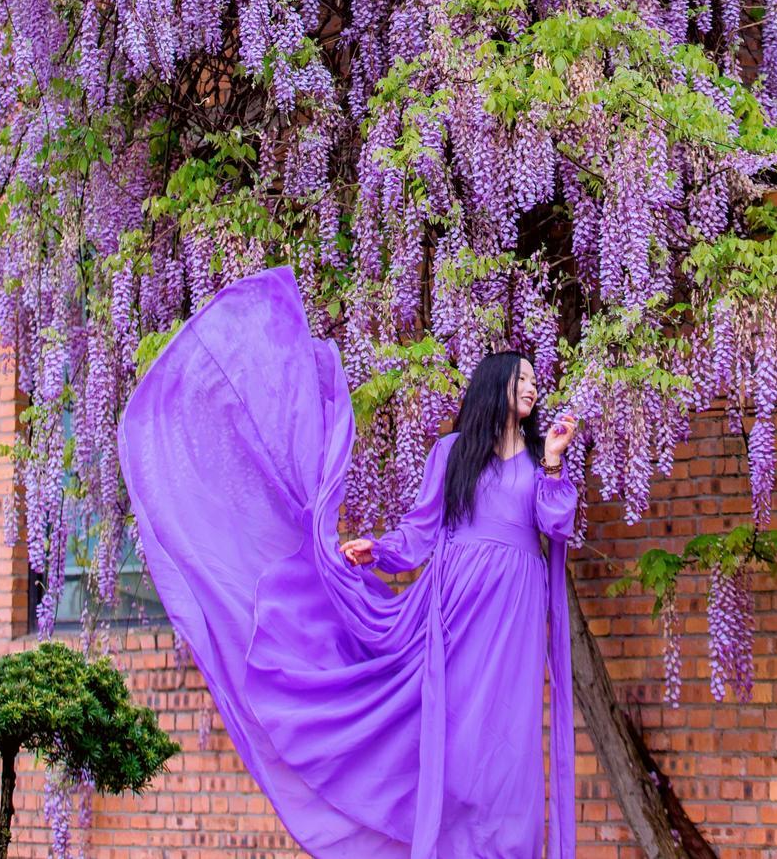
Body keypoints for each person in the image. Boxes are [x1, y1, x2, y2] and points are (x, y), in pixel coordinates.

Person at [116, 263, 580, 859]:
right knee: (458, 737)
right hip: (456, 606)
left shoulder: (542, 459)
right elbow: (422, 530)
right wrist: (377, 550)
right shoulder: (452, 453)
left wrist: (554, 460)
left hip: (515, 607)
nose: (533, 388)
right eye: (522, 379)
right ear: (495, 387)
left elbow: (555, 523)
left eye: (535, 381)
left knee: (508, 742)